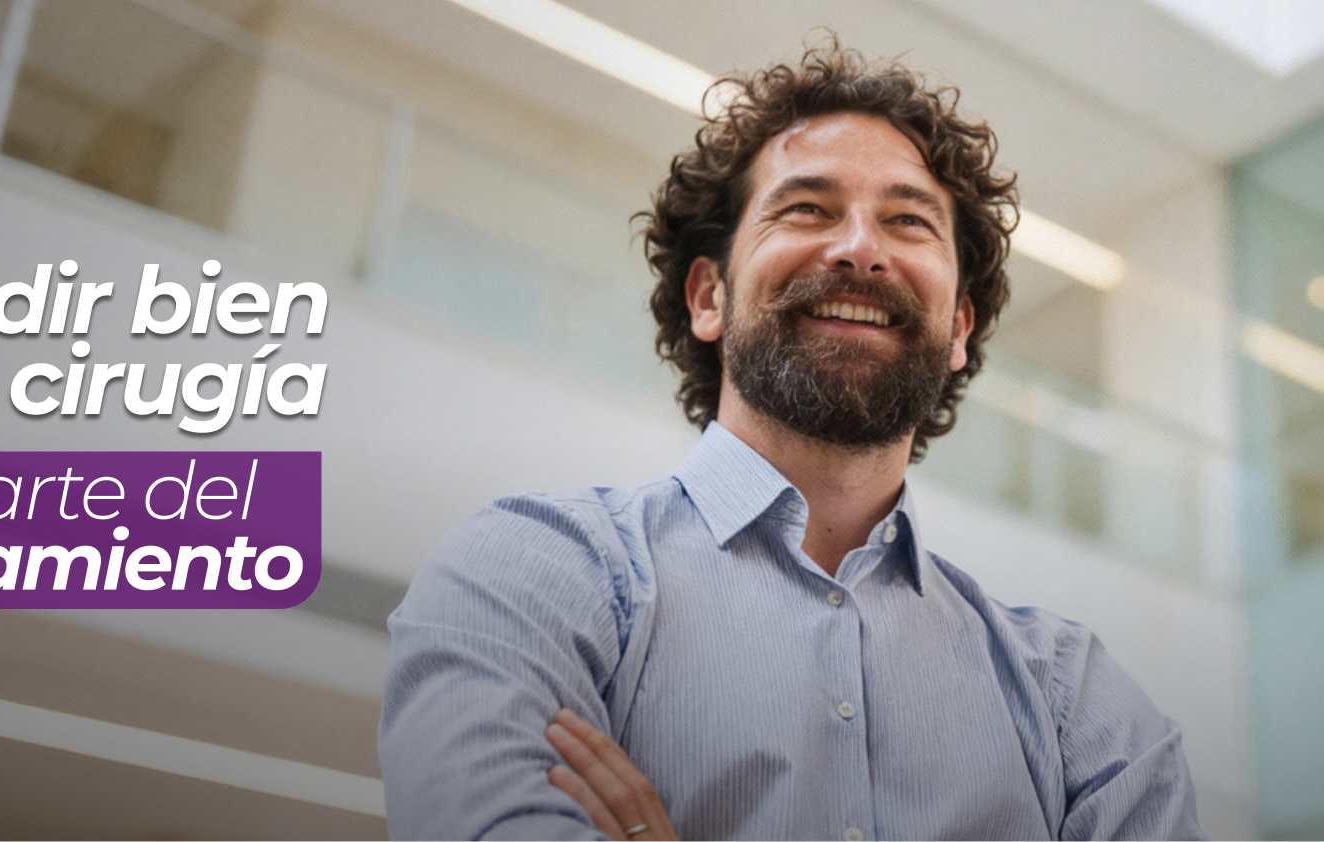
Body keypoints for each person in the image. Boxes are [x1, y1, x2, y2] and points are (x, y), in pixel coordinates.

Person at [378, 42, 1204, 842]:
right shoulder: (532, 575)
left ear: (958, 329)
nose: (860, 249)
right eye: (807, 208)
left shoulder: (1078, 702)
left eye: (909, 220)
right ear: (709, 296)